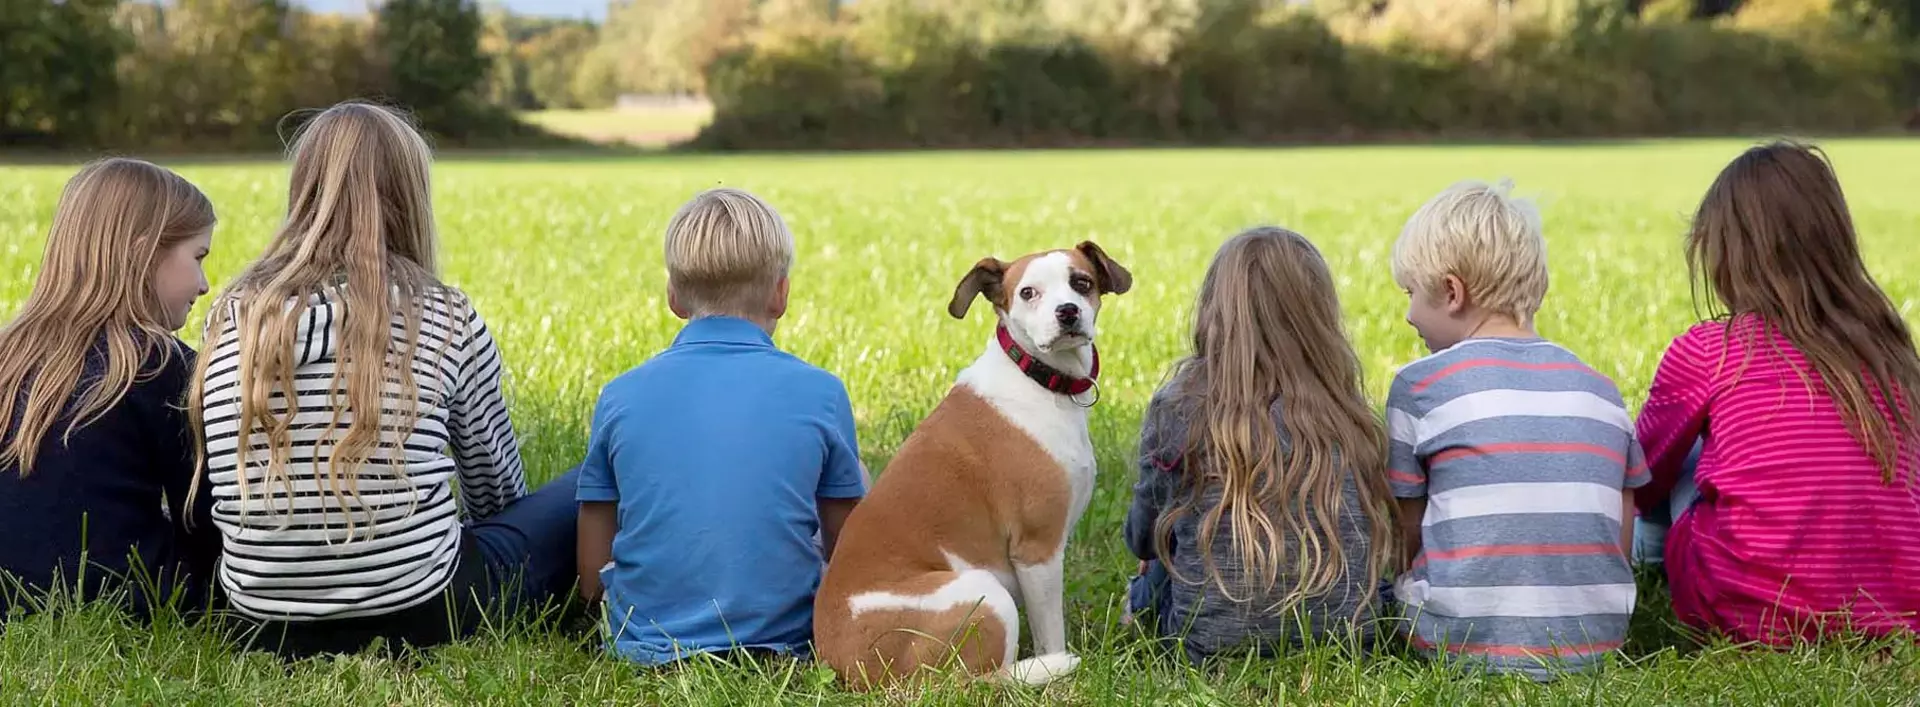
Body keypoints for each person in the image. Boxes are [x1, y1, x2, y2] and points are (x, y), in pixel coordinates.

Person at [188, 101, 578, 658]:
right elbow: (495, 494)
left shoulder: (232, 316)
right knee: (588, 480)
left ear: (303, 191)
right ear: (409, 196)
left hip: (262, 623)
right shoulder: (445, 316)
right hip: (427, 612)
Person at [1634, 140, 1920, 645]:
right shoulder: (1890, 350)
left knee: (1685, 454)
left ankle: (1641, 556)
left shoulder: (1713, 349)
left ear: (1726, 254)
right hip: (1900, 612)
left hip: (1747, 611)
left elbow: (1641, 479)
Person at [575, 187, 867, 666]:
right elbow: (846, 545)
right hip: (788, 642)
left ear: (673, 295)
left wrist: (592, 604)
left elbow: (594, 545)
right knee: (853, 475)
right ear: (781, 294)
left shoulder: (620, 394)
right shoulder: (821, 391)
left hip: (643, 644)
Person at [1384, 179, 1646, 679]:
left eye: (1411, 293)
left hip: (1457, 644)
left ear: (1451, 291)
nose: (1407, 314)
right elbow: (1623, 509)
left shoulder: (1420, 386)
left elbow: (1406, 530)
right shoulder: (1600, 390)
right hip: (1597, 641)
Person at [1122, 227, 1398, 665]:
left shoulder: (1180, 404)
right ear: (1318, 316)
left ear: (1215, 310)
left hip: (1207, 646)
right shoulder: (1346, 409)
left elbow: (1142, 535)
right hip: (1348, 639)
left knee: (1155, 570)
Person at [0, 158, 219, 623]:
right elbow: (206, 517)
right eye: (198, 257)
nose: (203, 284)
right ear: (143, 254)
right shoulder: (158, 362)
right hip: (131, 601)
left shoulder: (9, 353)